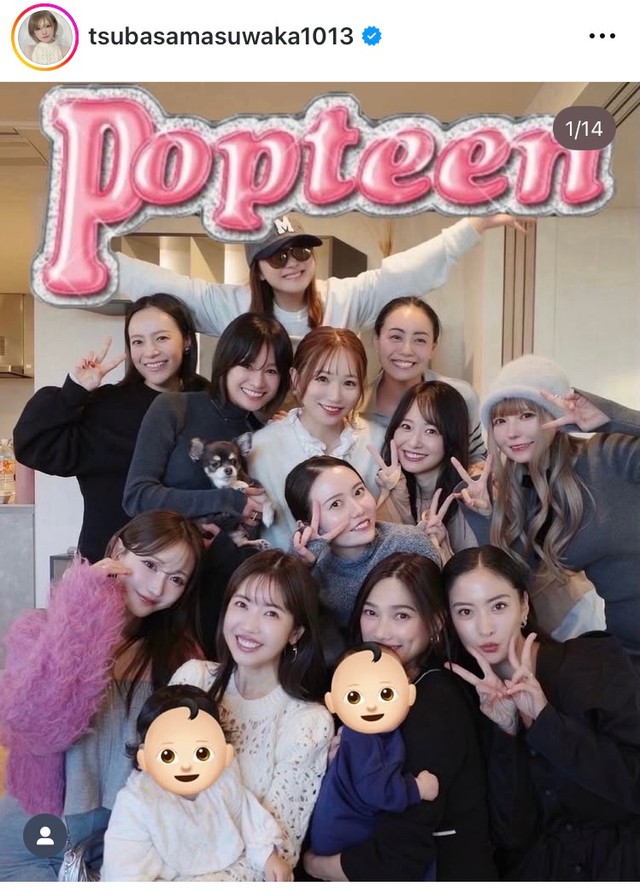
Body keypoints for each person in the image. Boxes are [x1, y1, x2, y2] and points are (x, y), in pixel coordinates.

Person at [0, 510, 205, 881]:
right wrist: (81, 609)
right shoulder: (40, 628)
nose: (157, 587)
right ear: (117, 551)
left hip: (125, 840)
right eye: (149, 565)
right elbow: (39, 728)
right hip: (39, 831)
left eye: (176, 578)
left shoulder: (181, 657)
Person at [443, 545, 640, 880]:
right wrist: (506, 733)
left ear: (523, 605)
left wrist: (547, 720)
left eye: (498, 606)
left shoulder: (593, 660)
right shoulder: (466, 704)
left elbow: (632, 784)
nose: (485, 627)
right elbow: (511, 835)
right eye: (465, 612)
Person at [303, 552, 497, 881]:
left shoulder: (436, 702)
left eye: (402, 615)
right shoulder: (359, 686)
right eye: (371, 612)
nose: (381, 631)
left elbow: (399, 856)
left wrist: (311, 865)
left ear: (435, 622)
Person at [122, 312, 293, 653]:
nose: (258, 381)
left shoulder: (265, 433)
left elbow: (255, 516)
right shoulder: (175, 407)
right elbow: (137, 497)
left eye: (271, 371)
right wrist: (228, 501)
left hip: (228, 596)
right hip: (163, 589)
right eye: (247, 365)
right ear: (225, 362)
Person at [457, 354, 639, 665]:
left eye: (526, 415)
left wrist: (613, 417)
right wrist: (484, 514)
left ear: (554, 414)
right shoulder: (524, 494)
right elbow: (515, 582)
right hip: (627, 648)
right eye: (500, 421)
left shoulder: (610, 454)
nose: (511, 433)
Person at [115, 213, 521, 350]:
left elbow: (405, 272)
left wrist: (476, 224)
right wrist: (87, 256)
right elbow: (161, 281)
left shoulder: (343, 297)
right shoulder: (233, 306)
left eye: (302, 252)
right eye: (279, 256)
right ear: (258, 268)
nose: (293, 264)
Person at [168, 550, 334, 879]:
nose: (249, 625)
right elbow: (147, 790)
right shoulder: (193, 679)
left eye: (271, 613)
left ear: (296, 632)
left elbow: (277, 853)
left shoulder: (308, 723)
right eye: (241, 604)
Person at [13, 293, 207, 563]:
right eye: (137, 341)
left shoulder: (209, 403)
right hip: (111, 567)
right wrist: (73, 391)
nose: (150, 351)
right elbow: (32, 445)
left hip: (187, 568)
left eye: (161, 338)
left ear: (186, 340)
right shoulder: (107, 406)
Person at [102, 685, 291, 882]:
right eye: (169, 755)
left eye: (201, 753)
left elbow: (247, 817)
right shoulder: (138, 801)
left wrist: (268, 857)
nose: (186, 765)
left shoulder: (223, 781)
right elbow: (124, 870)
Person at [248, 326, 385, 550]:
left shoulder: (377, 440)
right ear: (295, 379)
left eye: (349, 383)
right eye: (322, 378)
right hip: (284, 569)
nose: (335, 396)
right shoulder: (262, 447)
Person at [309, 643, 439, 857]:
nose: (371, 706)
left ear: (409, 693)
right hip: (344, 834)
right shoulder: (362, 737)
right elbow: (376, 790)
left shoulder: (374, 733)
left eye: (385, 693)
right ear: (333, 702)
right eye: (354, 697)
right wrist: (418, 788)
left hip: (345, 830)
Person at [285, 456, 441, 631]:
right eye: (335, 504)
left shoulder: (410, 543)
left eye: (358, 492)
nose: (358, 510)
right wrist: (299, 566)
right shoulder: (316, 576)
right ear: (306, 525)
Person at [362, 296, 486, 462]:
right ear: (376, 340)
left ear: (433, 347)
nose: (406, 350)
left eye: (420, 340)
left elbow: (476, 458)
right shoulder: (356, 406)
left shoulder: (460, 396)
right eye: (396, 337)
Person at [372, 379, 478, 557]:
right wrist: (400, 503)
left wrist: (442, 548)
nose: (414, 442)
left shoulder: (468, 494)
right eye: (406, 426)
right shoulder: (392, 484)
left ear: (452, 437)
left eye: (431, 431)